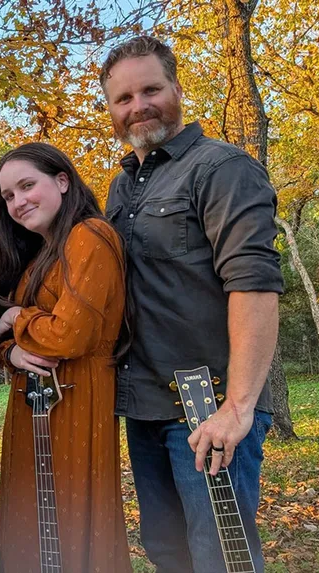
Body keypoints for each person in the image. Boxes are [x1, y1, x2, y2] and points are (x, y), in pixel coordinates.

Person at [100, 35, 283, 573]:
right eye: (124, 98)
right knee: (168, 554)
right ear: (111, 109)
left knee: (221, 557)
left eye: (151, 89)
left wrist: (239, 406)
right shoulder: (121, 188)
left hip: (209, 404)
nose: (139, 106)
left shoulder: (222, 168)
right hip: (145, 404)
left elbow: (253, 282)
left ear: (177, 88)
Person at [0, 142, 132, 572]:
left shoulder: (90, 236)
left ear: (63, 181)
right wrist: (13, 351)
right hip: (32, 404)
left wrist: (16, 319)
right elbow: (9, 342)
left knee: (72, 525)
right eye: (8, 196)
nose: (17, 202)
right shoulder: (40, 255)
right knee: (28, 521)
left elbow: (70, 335)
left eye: (27, 185)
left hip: (77, 400)